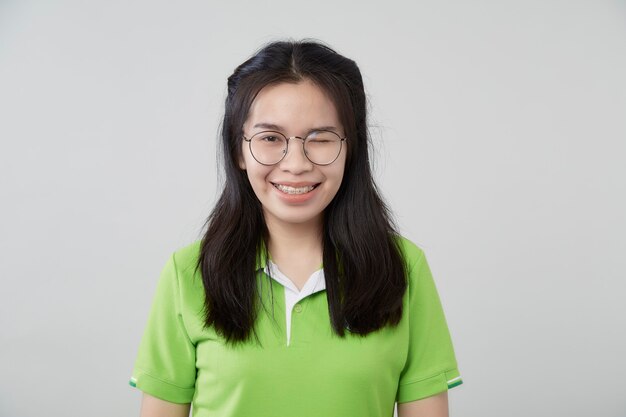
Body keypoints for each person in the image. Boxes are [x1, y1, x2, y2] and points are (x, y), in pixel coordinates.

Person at [129, 39, 463, 417]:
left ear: (351, 149)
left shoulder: (403, 267)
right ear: (239, 150)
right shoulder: (188, 272)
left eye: (320, 138)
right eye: (270, 138)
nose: (296, 163)